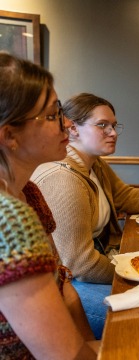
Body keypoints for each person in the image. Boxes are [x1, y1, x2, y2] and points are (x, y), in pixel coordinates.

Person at [31, 93, 139, 339]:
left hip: (91, 269)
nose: (113, 132)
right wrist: (137, 273)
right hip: (66, 288)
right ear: (73, 128)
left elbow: (124, 198)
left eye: (114, 125)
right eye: (102, 125)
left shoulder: (94, 163)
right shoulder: (63, 179)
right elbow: (81, 264)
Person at [0, 53, 97, 358]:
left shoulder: (28, 193)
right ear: (10, 135)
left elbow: (63, 283)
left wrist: (89, 346)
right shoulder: (10, 219)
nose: (68, 123)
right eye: (53, 114)